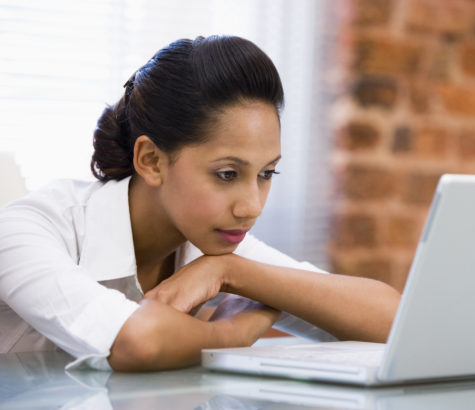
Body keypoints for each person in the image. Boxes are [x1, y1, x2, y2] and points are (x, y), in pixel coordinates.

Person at [0, 35, 401, 371]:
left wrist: (230, 270)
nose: (251, 206)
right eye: (227, 174)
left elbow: (396, 324)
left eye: (266, 174)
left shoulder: (211, 246)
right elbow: (141, 341)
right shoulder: (27, 230)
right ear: (152, 161)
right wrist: (233, 333)